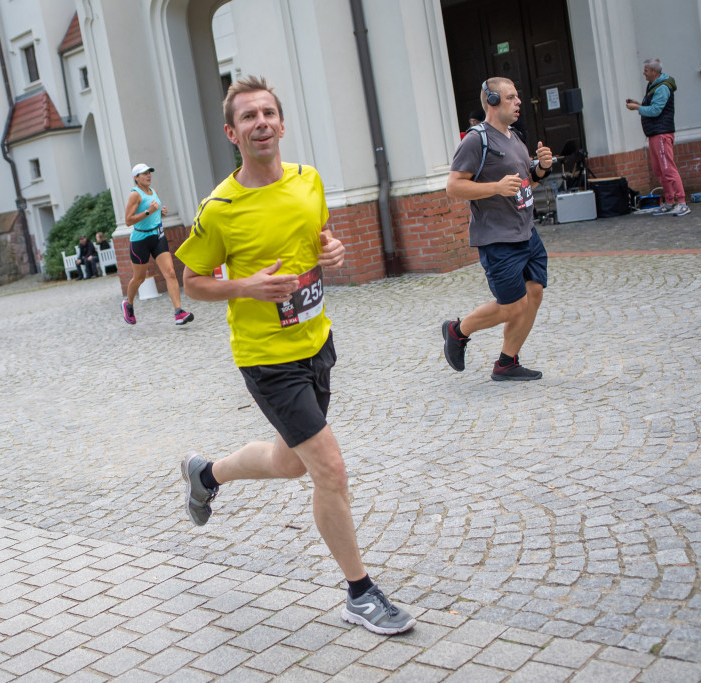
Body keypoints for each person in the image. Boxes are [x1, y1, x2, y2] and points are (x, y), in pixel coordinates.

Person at [175, 76, 415, 636]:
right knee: (329, 470)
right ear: (232, 133)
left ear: (281, 124)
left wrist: (329, 248)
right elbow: (193, 283)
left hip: (316, 342)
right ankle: (359, 593)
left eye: (268, 114)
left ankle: (206, 474)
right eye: (248, 117)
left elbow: (320, 237)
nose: (261, 123)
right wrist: (243, 287)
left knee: (289, 463)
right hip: (267, 359)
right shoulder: (220, 207)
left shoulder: (309, 181)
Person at [443, 77, 555, 381]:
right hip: (498, 239)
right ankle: (457, 331)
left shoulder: (515, 137)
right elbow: (453, 186)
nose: (518, 102)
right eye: (510, 97)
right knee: (512, 306)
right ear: (492, 102)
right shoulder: (476, 140)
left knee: (533, 294)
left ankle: (507, 363)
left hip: (527, 233)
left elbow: (524, 184)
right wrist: (494, 187)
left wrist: (541, 169)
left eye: (517, 96)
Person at [120, 164, 194, 326]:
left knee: (171, 273)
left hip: (158, 236)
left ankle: (178, 312)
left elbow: (154, 211)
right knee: (138, 278)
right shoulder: (135, 195)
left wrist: (160, 211)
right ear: (136, 178)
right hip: (140, 241)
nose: (148, 176)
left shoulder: (154, 192)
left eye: (149, 173)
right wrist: (148, 212)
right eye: (144, 174)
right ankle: (128, 304)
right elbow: (128, 221)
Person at [625, 58, 690, 217]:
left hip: (662, 133)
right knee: (659, 170)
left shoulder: (662, 88)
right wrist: (639, 104)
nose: (644, 73)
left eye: (646, 70)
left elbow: (655, 111)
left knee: (668, 168)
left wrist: (637, 108)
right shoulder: (654, 86)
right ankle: (669, 202)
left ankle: (681, 202)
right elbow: (653, 106)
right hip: (655, 133)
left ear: (654, 72)